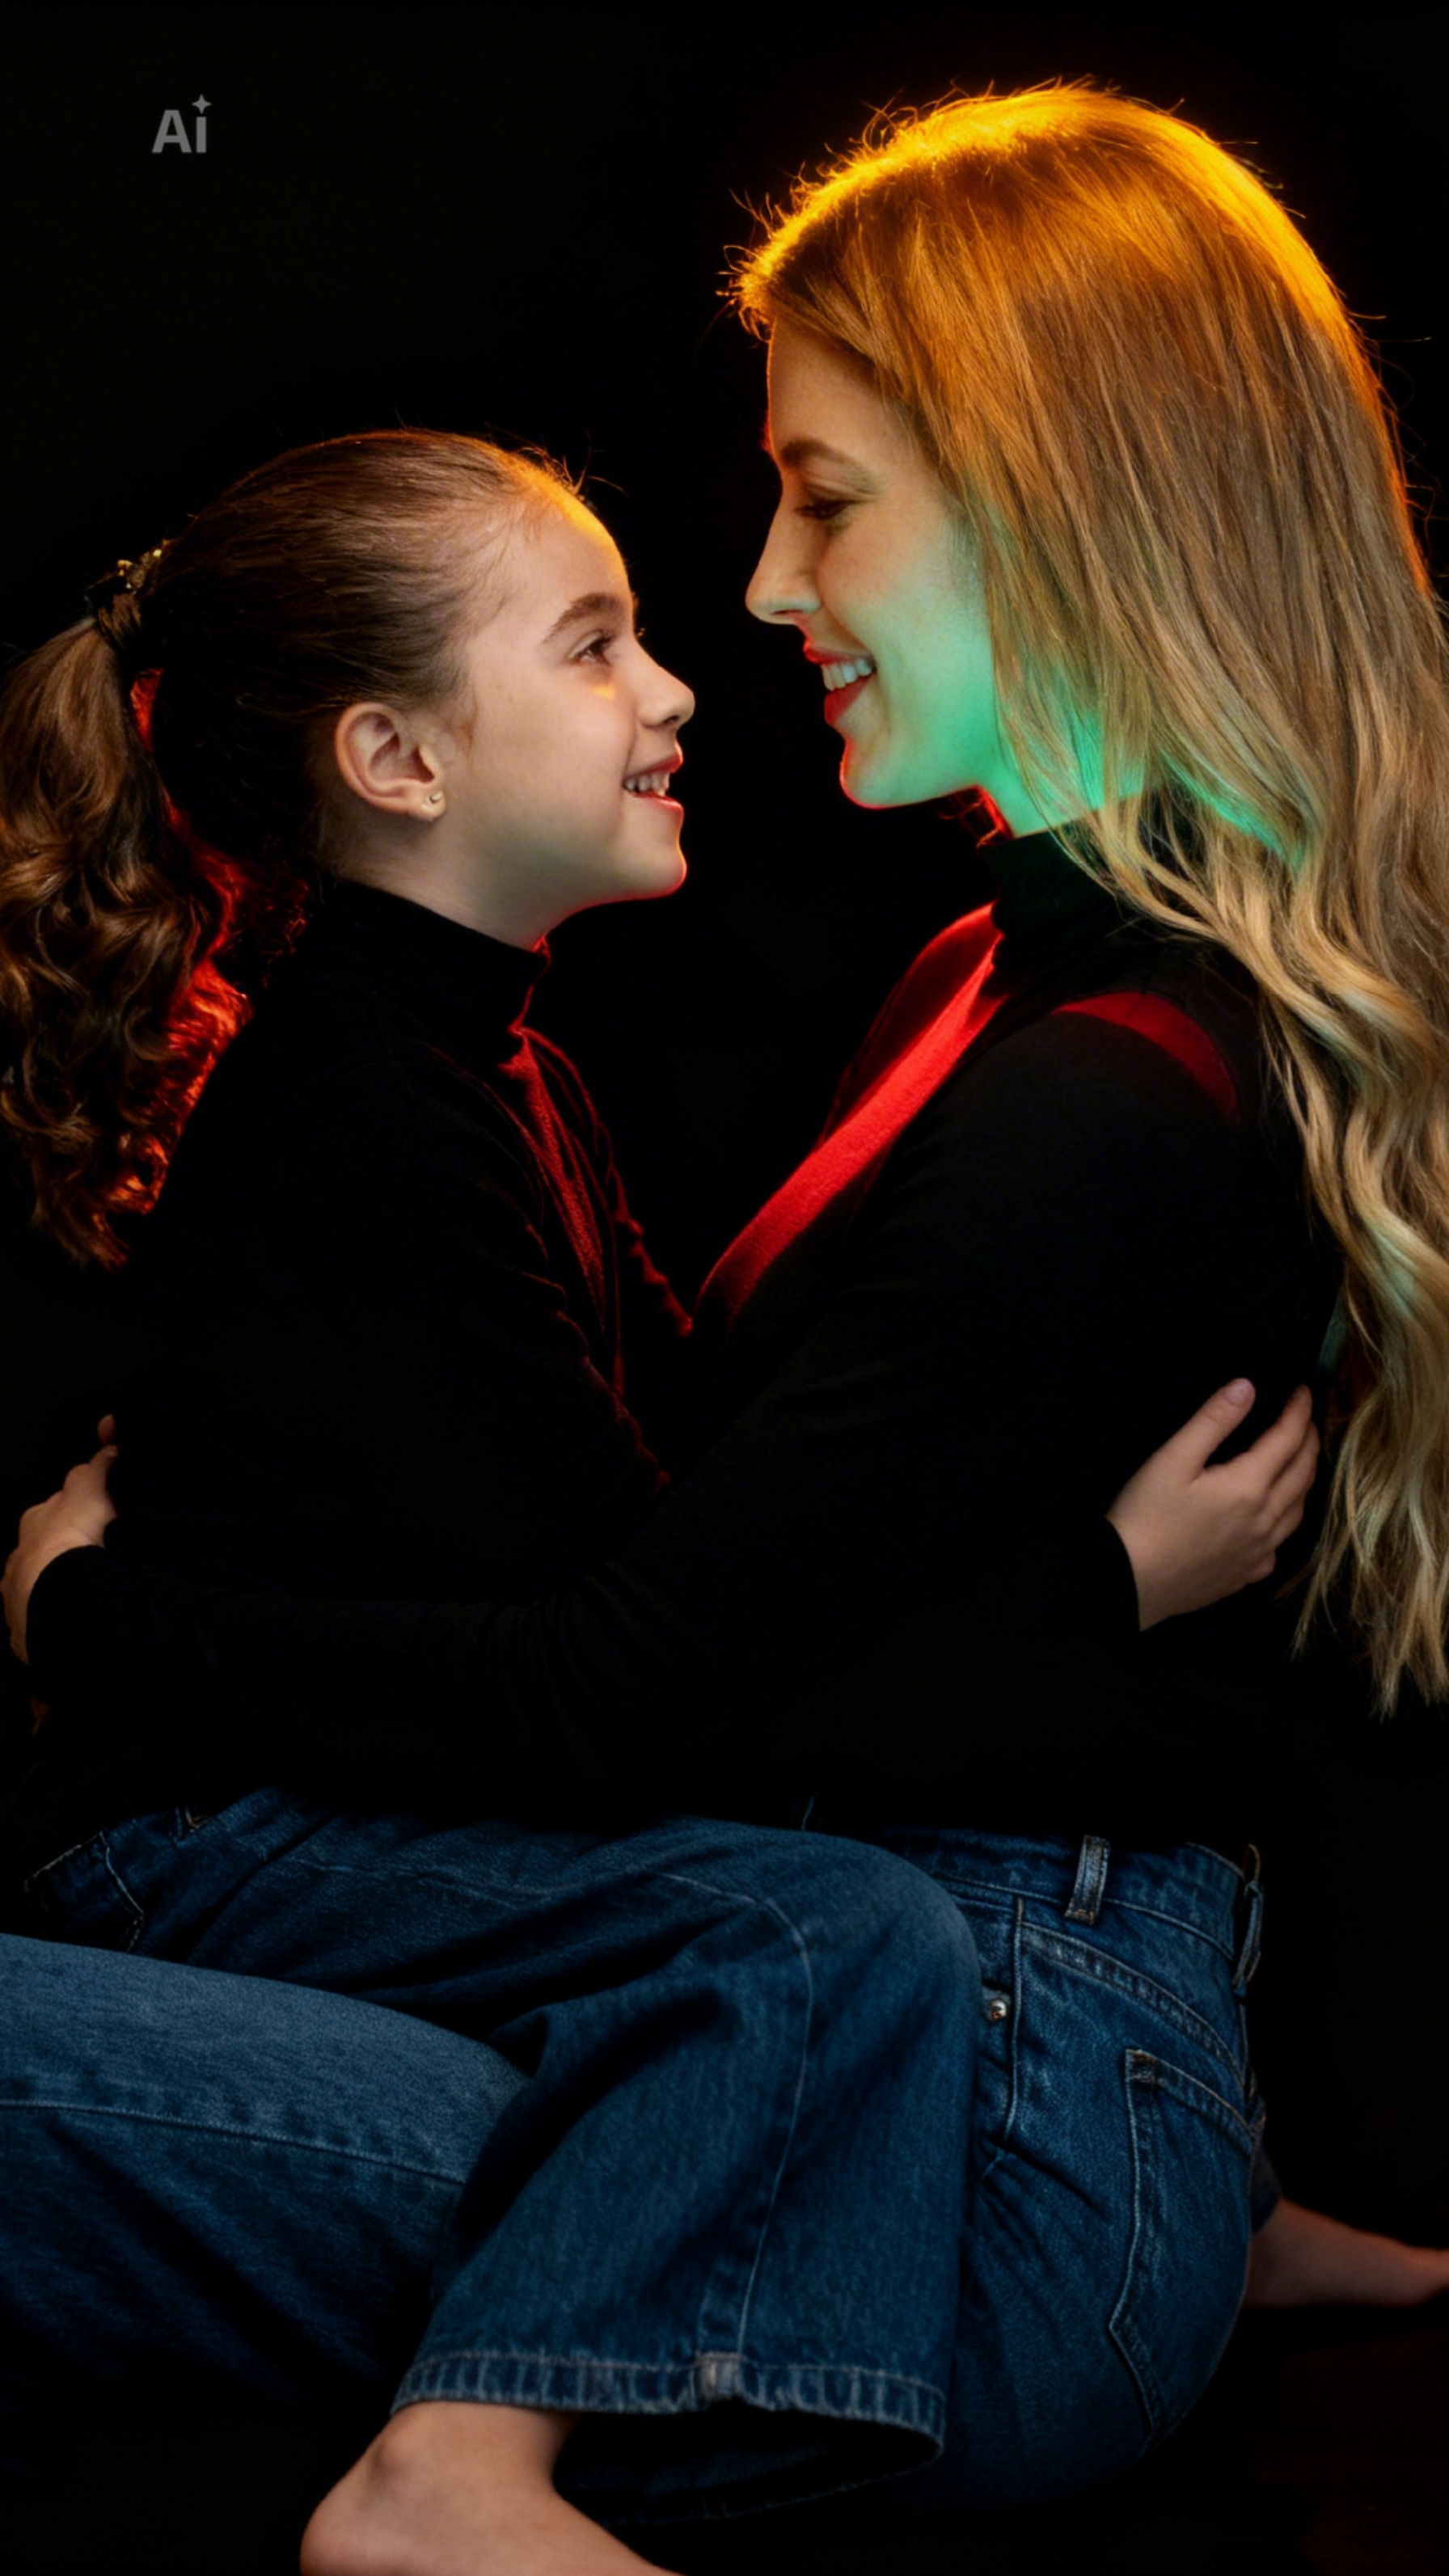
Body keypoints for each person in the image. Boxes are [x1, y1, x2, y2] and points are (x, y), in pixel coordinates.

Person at [7, 67, 1446, 2542]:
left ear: (1059, 495)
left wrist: (98, 1615)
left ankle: (500, 2457)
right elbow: (678, 1580)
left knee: (773, 1952)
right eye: (618, 627)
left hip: (981, 2078)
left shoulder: (1086, 1086)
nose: (761, 600)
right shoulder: (968, 973)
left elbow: (651, 1661)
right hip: (932, 2012)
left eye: (828, 497)